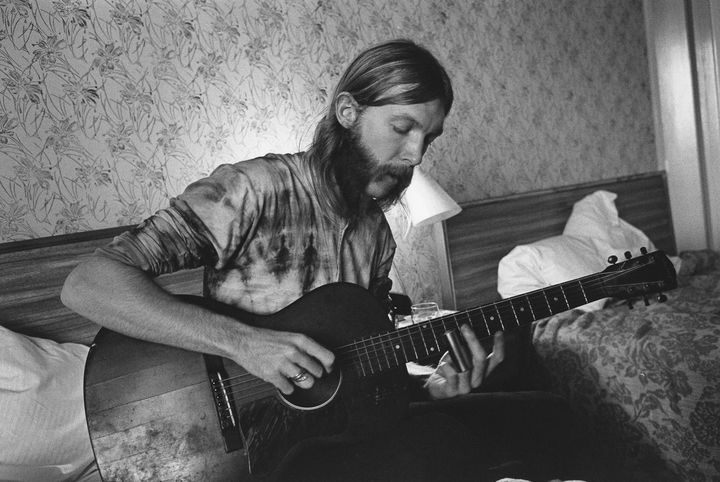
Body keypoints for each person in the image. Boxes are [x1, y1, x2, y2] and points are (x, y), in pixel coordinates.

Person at [62, 39, 577, 481]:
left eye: (429, 137)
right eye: (402, 128)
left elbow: (365, 367)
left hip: (323, 442)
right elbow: (88, 284)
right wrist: (245, 344)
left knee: (544, 416)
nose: (417, 155)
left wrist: (433, 386)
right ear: (348, 112)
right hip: (239, 446)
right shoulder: (254, 190)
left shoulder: (377, 235)